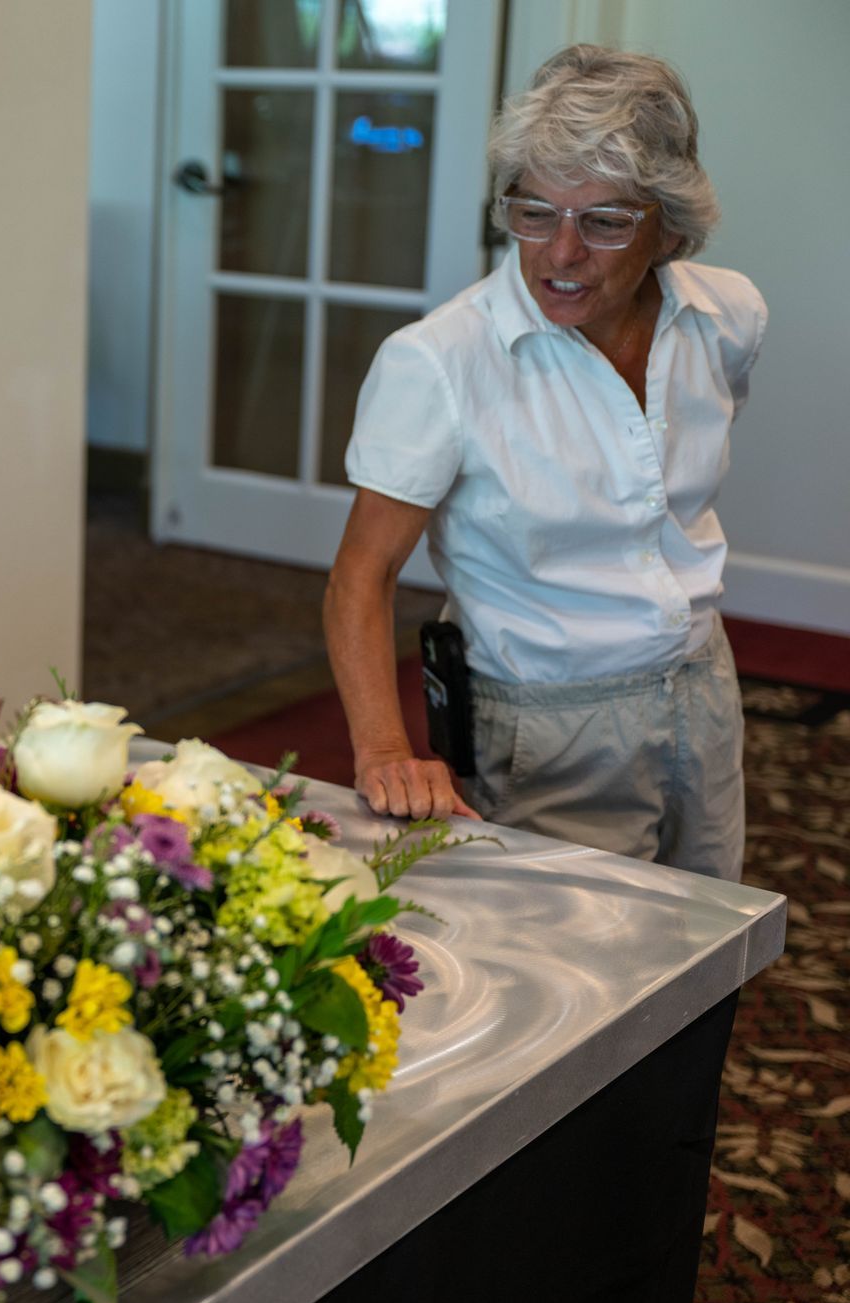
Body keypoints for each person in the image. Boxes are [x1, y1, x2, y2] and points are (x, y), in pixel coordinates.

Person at [324, 45, 765, 882]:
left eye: (603, 222)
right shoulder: (441, 362)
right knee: (589, 985)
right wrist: (383, 746)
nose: (559, 254)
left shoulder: (728, 316)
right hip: (548, 723)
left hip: (704, 686)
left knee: (708, 946)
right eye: (534, 213)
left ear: (669, 227)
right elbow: (361, 571)